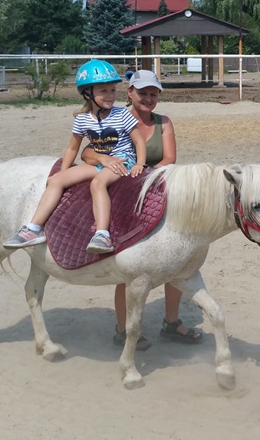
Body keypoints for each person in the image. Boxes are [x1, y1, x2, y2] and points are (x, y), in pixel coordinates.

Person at [79, 68, 203, 351]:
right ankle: (122, 330)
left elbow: (170, 158)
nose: (148, 98)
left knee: (178, 256)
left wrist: (143, 173)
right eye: (143, 93)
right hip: (123, 191)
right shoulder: (114, 116)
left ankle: (171, 321)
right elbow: (86, 151)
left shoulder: (163, 122)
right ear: (130, 93)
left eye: (153, 94)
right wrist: (103, 158)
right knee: (130, 264)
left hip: (154, 186)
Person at [3, 59, 147, 255]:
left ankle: (102, 234)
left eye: (113, 90)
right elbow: (72, 148)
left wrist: (139, 164)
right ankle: (34, 228)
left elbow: (139, 141)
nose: (110, 95)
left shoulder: (122, 114)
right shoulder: (82, 119)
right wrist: (63, 172)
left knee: (98, 183)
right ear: (88, 93)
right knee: (56, 180)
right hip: (100, 162)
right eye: (104, 91)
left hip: (122, 161)